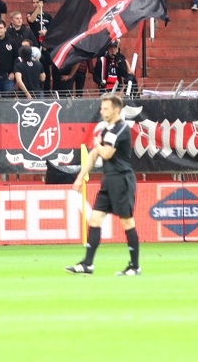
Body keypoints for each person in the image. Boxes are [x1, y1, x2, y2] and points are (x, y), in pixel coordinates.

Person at [66, 94, 140, 276]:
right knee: (95, 219)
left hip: (122, 180)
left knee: (127, 222)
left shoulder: (121, 129)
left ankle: (134, 266)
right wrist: (80, 178)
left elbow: (105, 153)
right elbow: (93, 155)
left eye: (106, 108)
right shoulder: (107, 130)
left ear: (116, 110)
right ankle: (87, 264)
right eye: (102, 108)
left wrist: (98, 145)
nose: (102, 111)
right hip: (109, 179)